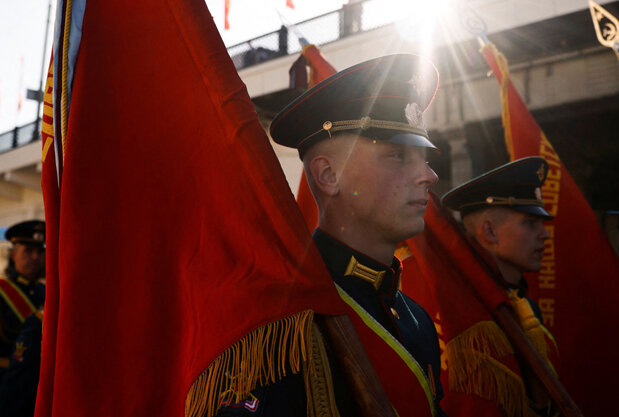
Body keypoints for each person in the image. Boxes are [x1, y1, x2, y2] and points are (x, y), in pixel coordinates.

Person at [217, 54, 445, 416]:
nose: (428, 176)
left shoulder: (414, 318)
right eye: (399, 156)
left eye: (424, 158)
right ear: (328, 176)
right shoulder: (278, 328)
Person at [440, 156, 559, 417]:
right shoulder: (467, 316)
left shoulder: (524, 307)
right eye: (530, 223)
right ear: (489, 232)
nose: (545, 234)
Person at [0, 220, 46, 379]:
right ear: (13, 254)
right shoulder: (2, 291)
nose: (35, 257)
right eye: (28, 251)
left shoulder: (47, 293)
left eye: (40, 252)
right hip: (7, 380)